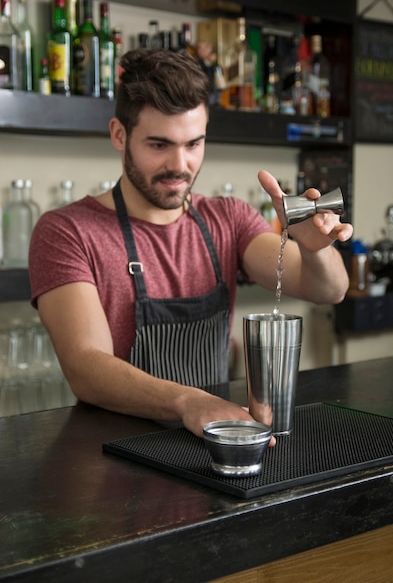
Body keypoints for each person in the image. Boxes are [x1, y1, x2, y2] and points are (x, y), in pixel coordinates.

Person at [29, 48, 353, 441]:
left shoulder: (229, 218)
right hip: (114, 459)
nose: (180, 165)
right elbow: (86, 367)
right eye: (159, 145)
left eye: (193, 144)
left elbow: (329, 290)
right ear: (119, 135)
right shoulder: (67, 232)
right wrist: (188, 402)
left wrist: (316, 248)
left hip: (213, 445)